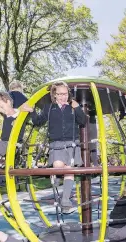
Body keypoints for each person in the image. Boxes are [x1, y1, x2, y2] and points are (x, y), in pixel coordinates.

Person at [22, 81, 86, 213]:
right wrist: (32, 111)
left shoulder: (72, 107)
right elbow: (38, 122)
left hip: (71, 143)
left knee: (69, 171)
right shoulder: (49, 108)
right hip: (56, 143)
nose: (63, 96)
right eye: (60, 94)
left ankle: (66, 200)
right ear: (54, 95)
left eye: (65, 93)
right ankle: (56, 177)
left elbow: (83, 121)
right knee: (58, 166)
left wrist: (78, 108)